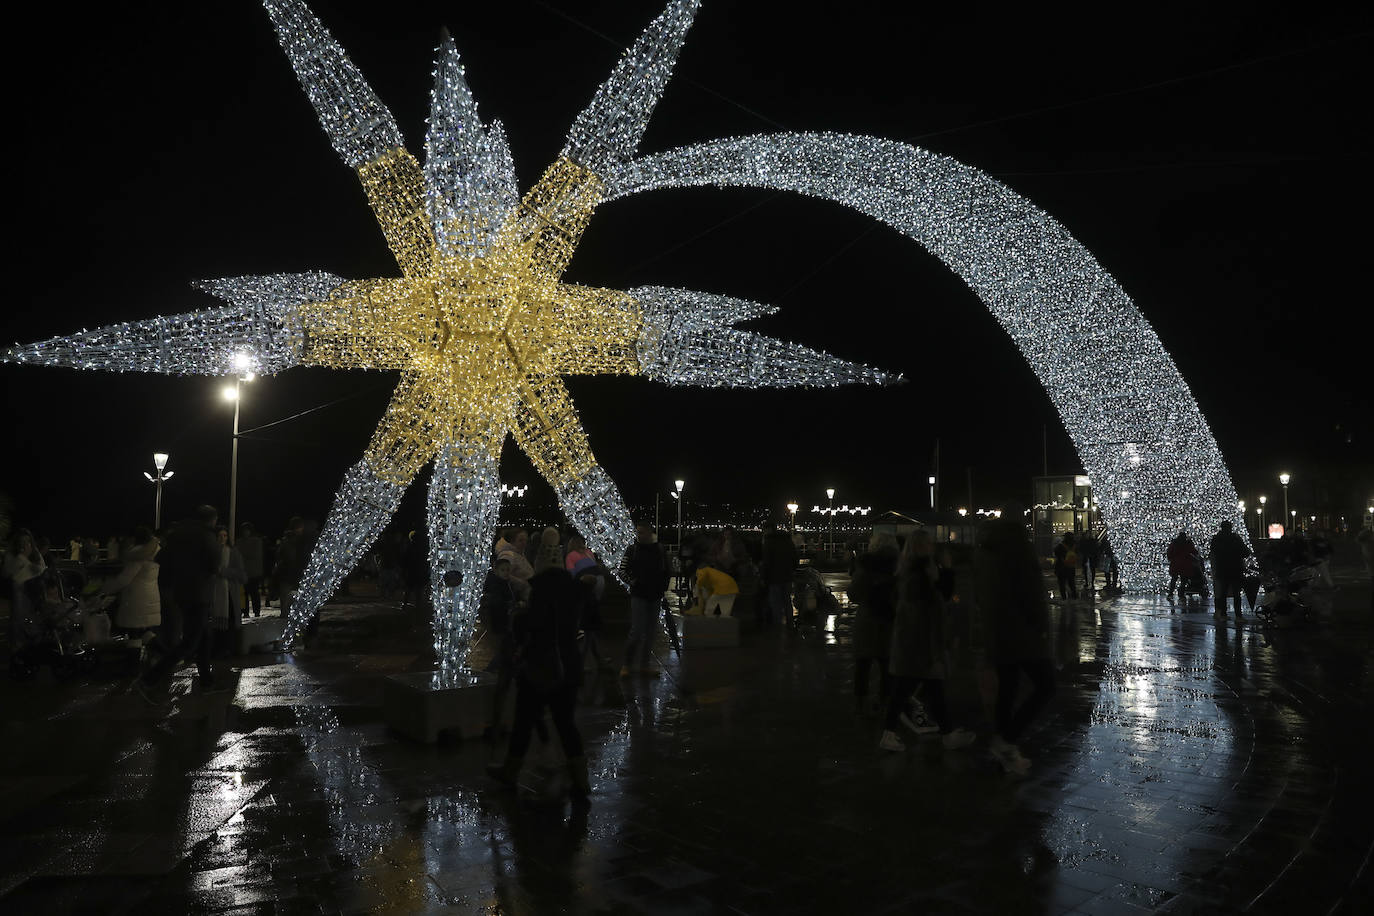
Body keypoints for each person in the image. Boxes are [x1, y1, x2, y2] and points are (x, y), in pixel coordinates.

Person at [486, 528, 591, 804]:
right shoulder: (573, 590)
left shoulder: (542, 590)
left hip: (540, 667)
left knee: (524, 719)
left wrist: (519, 619)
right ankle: (581, 780)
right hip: (568, 666)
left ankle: (511, 770)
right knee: (566, 724)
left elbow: (532, 626)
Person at [880, 530, 976, 752]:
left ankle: (945, 732)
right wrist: (948, 570)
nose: (932, 547)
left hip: (915, 643)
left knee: (925, 688)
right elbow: (934, 603)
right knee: (911, 689)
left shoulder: (913, 571)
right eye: (928, 544)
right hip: (920, 643)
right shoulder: (919, 574)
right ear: (921, 547)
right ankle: (894, 733)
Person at [975, 514, 1055, 775]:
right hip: (1023, 634)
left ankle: (1004, 751)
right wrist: (1042, 627)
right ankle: (1006, 741)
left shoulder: (987, 557)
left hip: (998, 634)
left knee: (1006, 691)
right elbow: (1032, 596)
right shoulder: (1019, 555)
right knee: (1045, 686)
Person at [138, 505, 222, 699]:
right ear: (212, 519)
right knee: (190, 642)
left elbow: (161, 558)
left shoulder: (177, 534)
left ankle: (207, 682)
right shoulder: (206, 535)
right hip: (199, 593)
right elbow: (214, 564)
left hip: (181, 592)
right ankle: (148, 680)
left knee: (205, 636)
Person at [848, 531, 898, 717]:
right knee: (887, 665)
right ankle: (885, 701)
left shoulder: (866, 566)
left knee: (862, 664)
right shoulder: (899, 566)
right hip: (890, 620)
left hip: (867, 619)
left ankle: (860, 702)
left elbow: (853, 594)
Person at [479, 556, 527, 739]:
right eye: (504, 570)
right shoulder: (497, 585)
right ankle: (492, 670)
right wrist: (511, 606)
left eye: (509, 570)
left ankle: (497, 670)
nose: (507, 573)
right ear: (496, 571)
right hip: (501, 624)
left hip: (505, 624)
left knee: (504, 650)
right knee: (502, 650)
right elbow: (496, 605)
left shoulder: (504, 584)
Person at [621, 523, 670, 678]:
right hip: (640, 595)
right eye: (638, 532)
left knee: (649, 632)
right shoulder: (633, 549)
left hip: (654, 595)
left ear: (649, 533)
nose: (639, 535)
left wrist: (662, 587)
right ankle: (628, 664)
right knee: (637, 631)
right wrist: (634, 582)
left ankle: (642, 664)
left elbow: (666, 570)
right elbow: (622, 570)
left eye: (642, 532)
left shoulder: (659, 550)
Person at [99, 526, 161, 634]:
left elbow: (124, 579)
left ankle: (136, 649)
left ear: (133, 538)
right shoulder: (155, 551)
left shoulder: (137, 554)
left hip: (136, 600)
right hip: (151, 595)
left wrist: (104, 589)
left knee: (134, 635)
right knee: (145, 634)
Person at [5, 529, 47, 660]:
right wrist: (23, 558)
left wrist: (28, 561)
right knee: (18, 619)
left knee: (35, 619)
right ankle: (17, 648)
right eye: (22, 542)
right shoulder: (12, 555)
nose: (26, 544)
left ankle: (34, 647)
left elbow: (41, 569)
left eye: (28, 541)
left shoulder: (35, 554)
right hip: (20, 591)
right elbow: (8, 572)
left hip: (35, 592)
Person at [212, 526, 247, 651]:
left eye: (225, 535)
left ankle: (228, 650)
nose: (222, 538)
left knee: (229, 625)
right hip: (214, 595)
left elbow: (242, 575)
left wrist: (224, 572)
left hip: (229, 596)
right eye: (220, 535)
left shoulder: (233, 552)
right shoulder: (212, 552)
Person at [1208, 520, 1251, 617]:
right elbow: (1246, 552)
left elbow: (1213, 553)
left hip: (1222, 568)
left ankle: (1223, 614)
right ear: (1230, 528)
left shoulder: (1216, 539)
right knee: (1236, 593)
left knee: (1223, 592)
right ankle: (1238, 615)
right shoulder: (1235, 539)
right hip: (1235, 569)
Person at [760, 522, 798, 627]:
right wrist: (792, 570)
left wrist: (763, 577)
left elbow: (766, 562)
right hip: (787, 575)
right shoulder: (787, 541)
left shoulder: (769, 542)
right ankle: (790, 623)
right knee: (787, 600)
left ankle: (777, 624)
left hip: (774, 576)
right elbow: (795, 557)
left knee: (775, 602)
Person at [238, 523, 265, 617]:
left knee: (254, 593)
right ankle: (245, 612)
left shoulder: (256, 541)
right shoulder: (240, 542)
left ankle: (256, 611)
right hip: (244, 571)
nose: (246, 532)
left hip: (253, 572)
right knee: (244, 593)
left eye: (247, 530)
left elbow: (254, 554)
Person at [1166, 531, 1197, 601]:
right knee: (1183, 580)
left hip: (1175, 564)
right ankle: (1181, 594)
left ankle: (1170, 593)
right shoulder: (1188, 544)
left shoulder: (1174, 543)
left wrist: (1170, 559)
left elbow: (1169, 552)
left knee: (1174, 579)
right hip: (1185, 564)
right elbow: (1194, 551)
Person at [1052, 533, 1078, 599]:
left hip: (1062, 567)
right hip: (1071, 567)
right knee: (1072, 583)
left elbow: (1056, 553)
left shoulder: (1060, 546)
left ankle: (1064, 597)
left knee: (1062, 584)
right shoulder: (1074, 546)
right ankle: (1074, 596)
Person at [1078, 530, 1100, 595]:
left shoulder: (1085, 541)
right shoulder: (1090, 541)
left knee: (1090, 569)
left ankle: (1090, 582)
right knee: (1088, 570)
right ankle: (1088, 582)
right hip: (1089, 557)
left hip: (1089, 557)